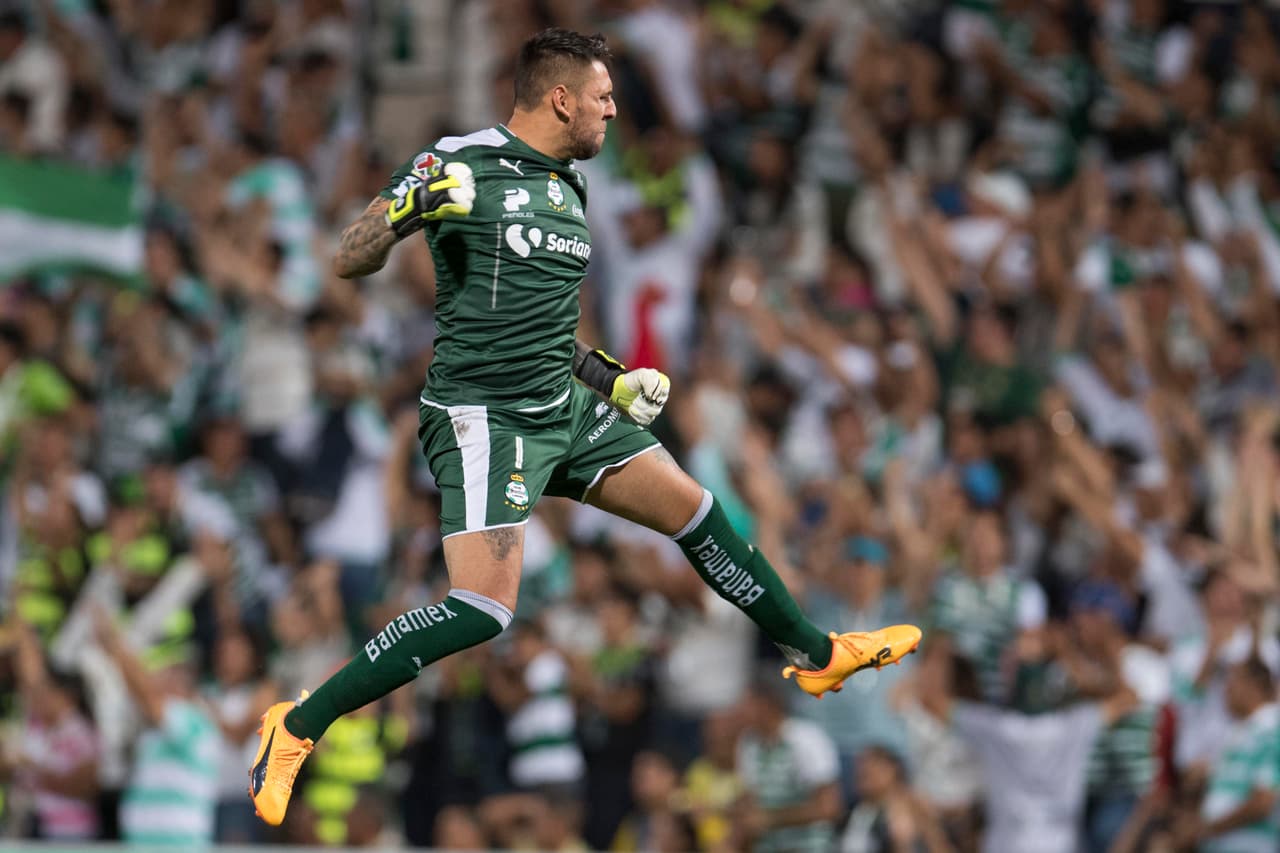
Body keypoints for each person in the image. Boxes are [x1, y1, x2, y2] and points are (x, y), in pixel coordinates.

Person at [249, 27, 920, 826]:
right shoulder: (460, 161)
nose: (612, 112)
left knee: (698, 511)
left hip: (562, 409)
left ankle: (814, 654)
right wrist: (406, 210)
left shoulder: (570, 187)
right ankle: (297, 725)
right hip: (485, 417)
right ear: (560, 97)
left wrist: (610, 378)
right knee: (484, 609)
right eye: (603, 98)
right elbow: (348, 257)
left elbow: (545, 329)